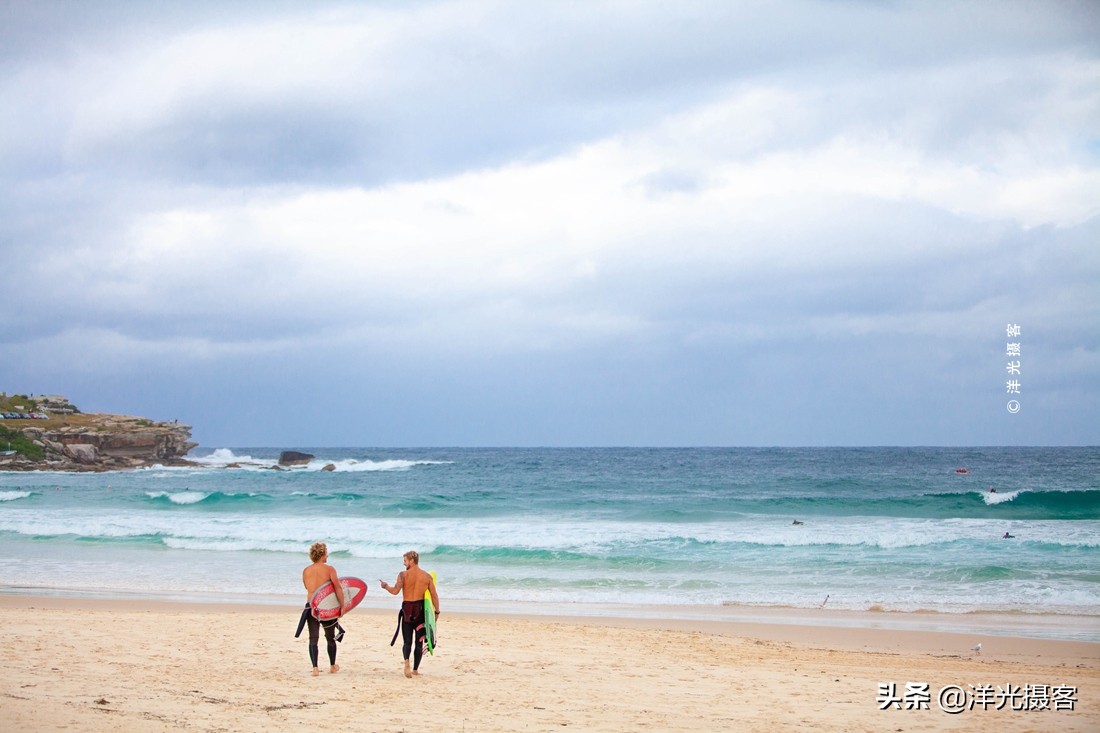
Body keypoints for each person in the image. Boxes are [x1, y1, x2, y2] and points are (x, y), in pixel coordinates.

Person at [380, 550, 440, 678]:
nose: (404, 563)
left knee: (407, 642)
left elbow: (395, 591)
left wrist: (385, 586)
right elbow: (434, 596)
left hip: (407, 610)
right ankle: (415, 670)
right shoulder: (427, 577)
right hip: (420, 612)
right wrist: (437, 611)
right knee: (419, 642)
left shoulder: (403, 575)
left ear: (411, 561)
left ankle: (406, 662)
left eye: (405, 561)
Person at [300, 541, 345, 676]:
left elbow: (307, 587)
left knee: (313, 638)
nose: (327, 555)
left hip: (311, 607)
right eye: (326, 553)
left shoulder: (306, 570)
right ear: (322, 554)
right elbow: (338, 588)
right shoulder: (330, 569)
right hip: (326, 608)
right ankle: (332, 666)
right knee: (330, 637)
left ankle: (315, 668)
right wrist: (342, 605)